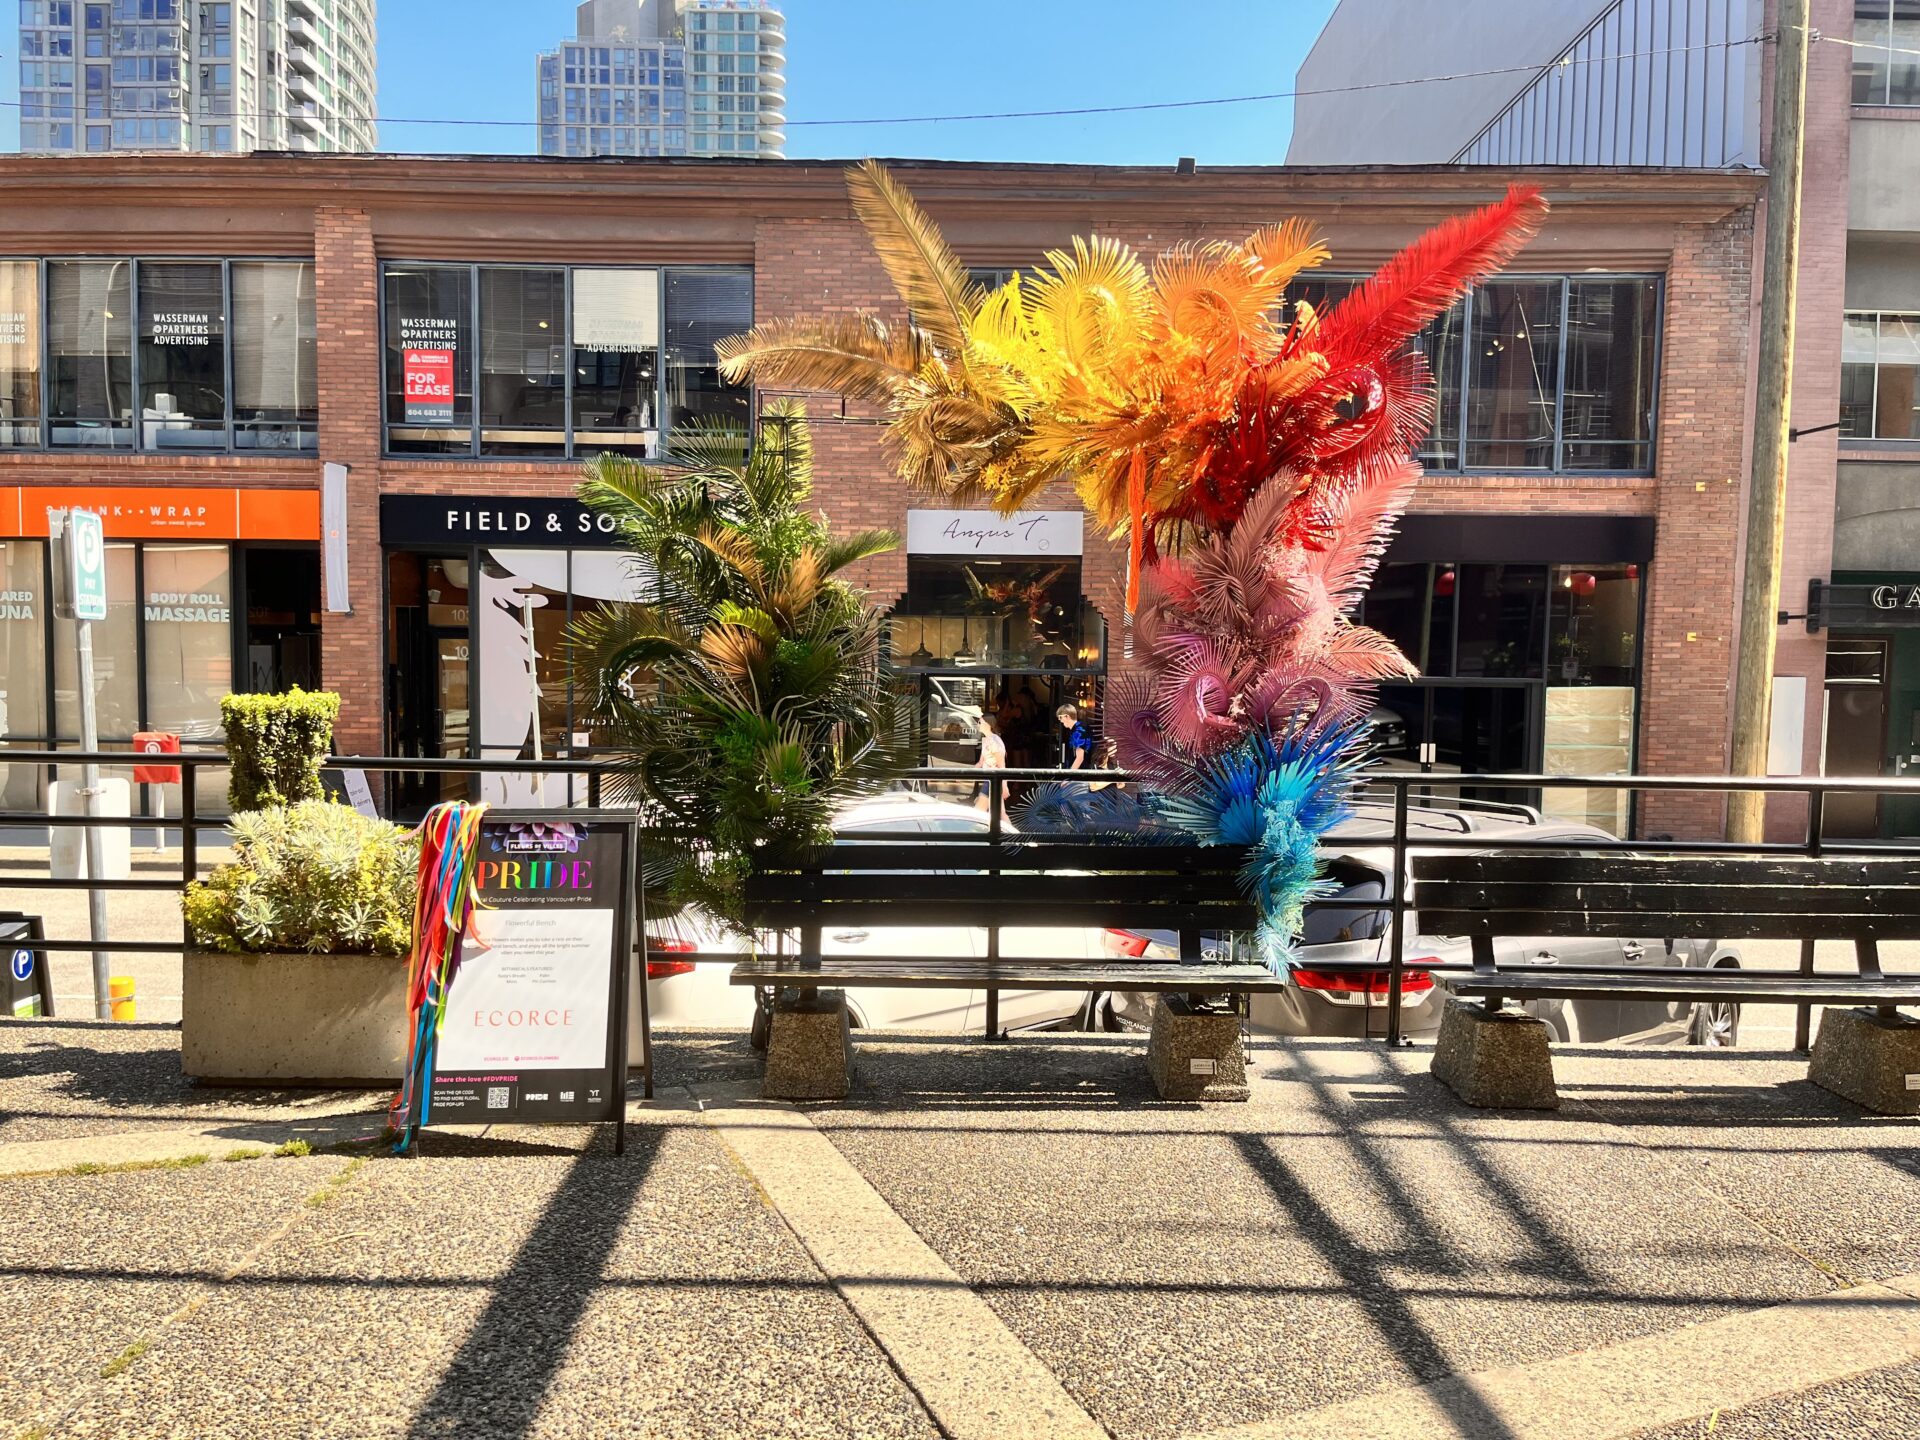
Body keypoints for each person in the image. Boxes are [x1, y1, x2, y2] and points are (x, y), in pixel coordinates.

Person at [973, 712, 1006, 811]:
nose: (978, 724)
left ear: (988, 724)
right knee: (1000, 813)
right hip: (990, 779)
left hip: (993, 779)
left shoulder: (994, 741)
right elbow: (980, 763)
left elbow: (1001, 765)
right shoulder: (986, 740)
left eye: (980, 722)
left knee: (979, 811)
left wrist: (1004, 786)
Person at [1057, 703, 1091, 770]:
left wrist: (1070, 774)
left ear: (1067, 716)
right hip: (1079, 772)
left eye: (1060, 717)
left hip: (1080, 774)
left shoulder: (1079, 731)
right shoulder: (1077, 729)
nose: (1059, 720)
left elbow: (1080, 758)